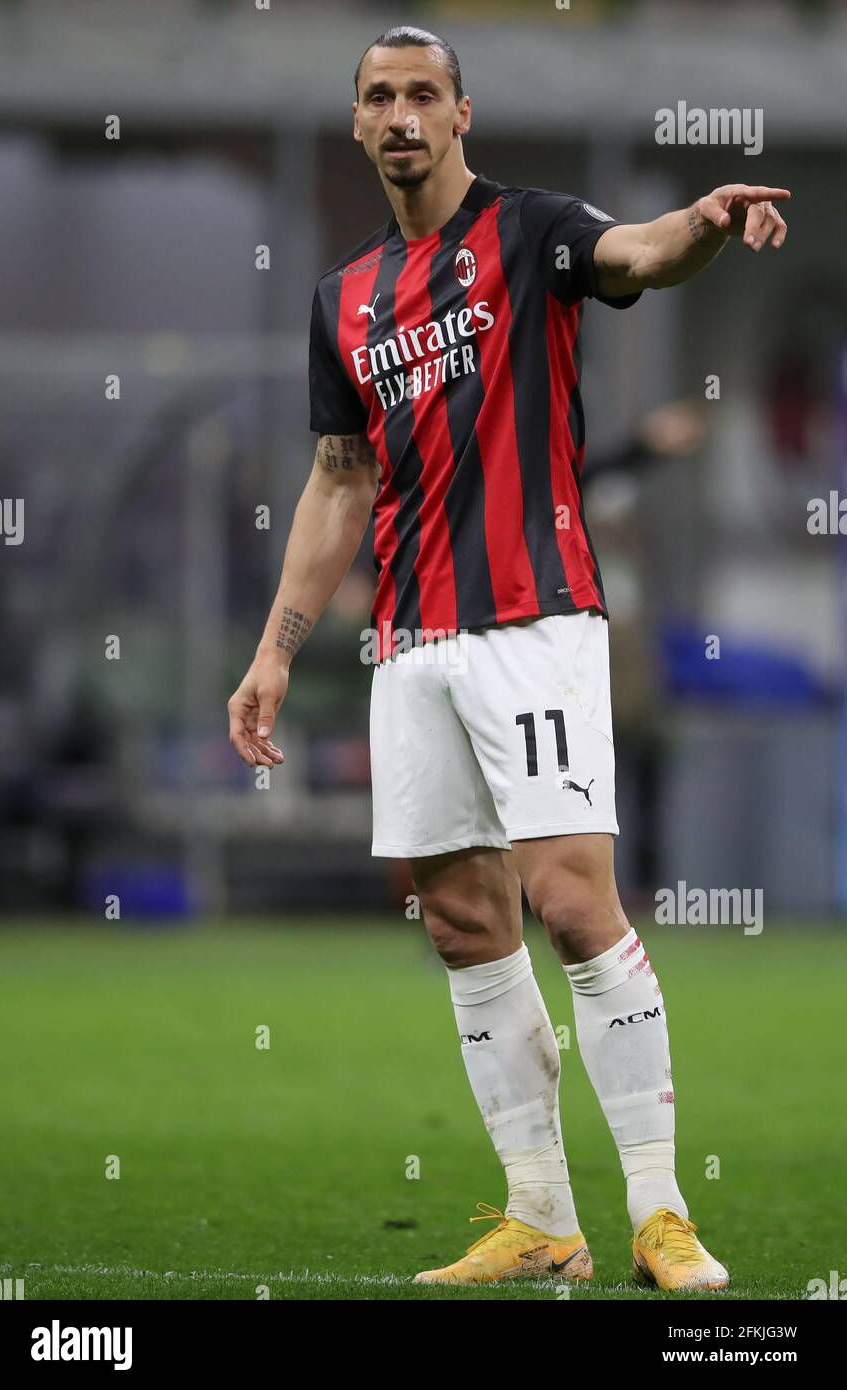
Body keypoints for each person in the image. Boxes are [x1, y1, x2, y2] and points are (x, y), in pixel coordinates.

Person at [227, 24, 789, 1290]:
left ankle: (658, 1208)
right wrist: (274, 652)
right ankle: (541, 1214)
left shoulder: (530, 232)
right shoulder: (342, 300)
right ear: (358, 122)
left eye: (422, 93)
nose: (400, 114)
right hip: (409, 644)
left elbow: (636, 254)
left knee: (572, 900)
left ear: (460, 113)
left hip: (534, 622)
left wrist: (696, 219)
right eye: (377, 96)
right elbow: (335, 484)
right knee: (465, 922)